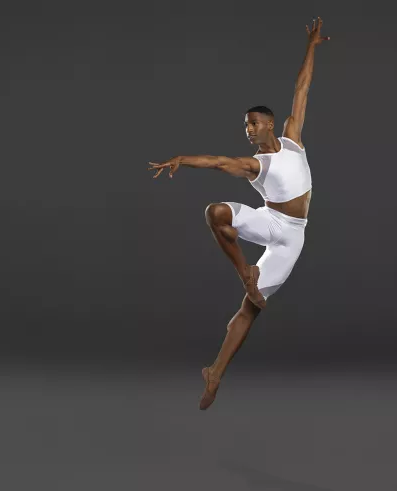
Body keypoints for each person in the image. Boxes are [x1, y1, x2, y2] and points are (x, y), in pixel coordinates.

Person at [148, 17, 330, 410]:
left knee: (250, 310)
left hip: (291, 236)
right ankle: (244, 273)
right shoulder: (254, 165)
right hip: (269, 221)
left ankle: (214, 373)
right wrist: (183, 158)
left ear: (267, 123)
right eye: (244, 125)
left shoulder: (292, 137)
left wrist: (312, 46)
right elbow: (216, 162)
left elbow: (302, 86)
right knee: (216, 213)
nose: (247, 130)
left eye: (251, 124)